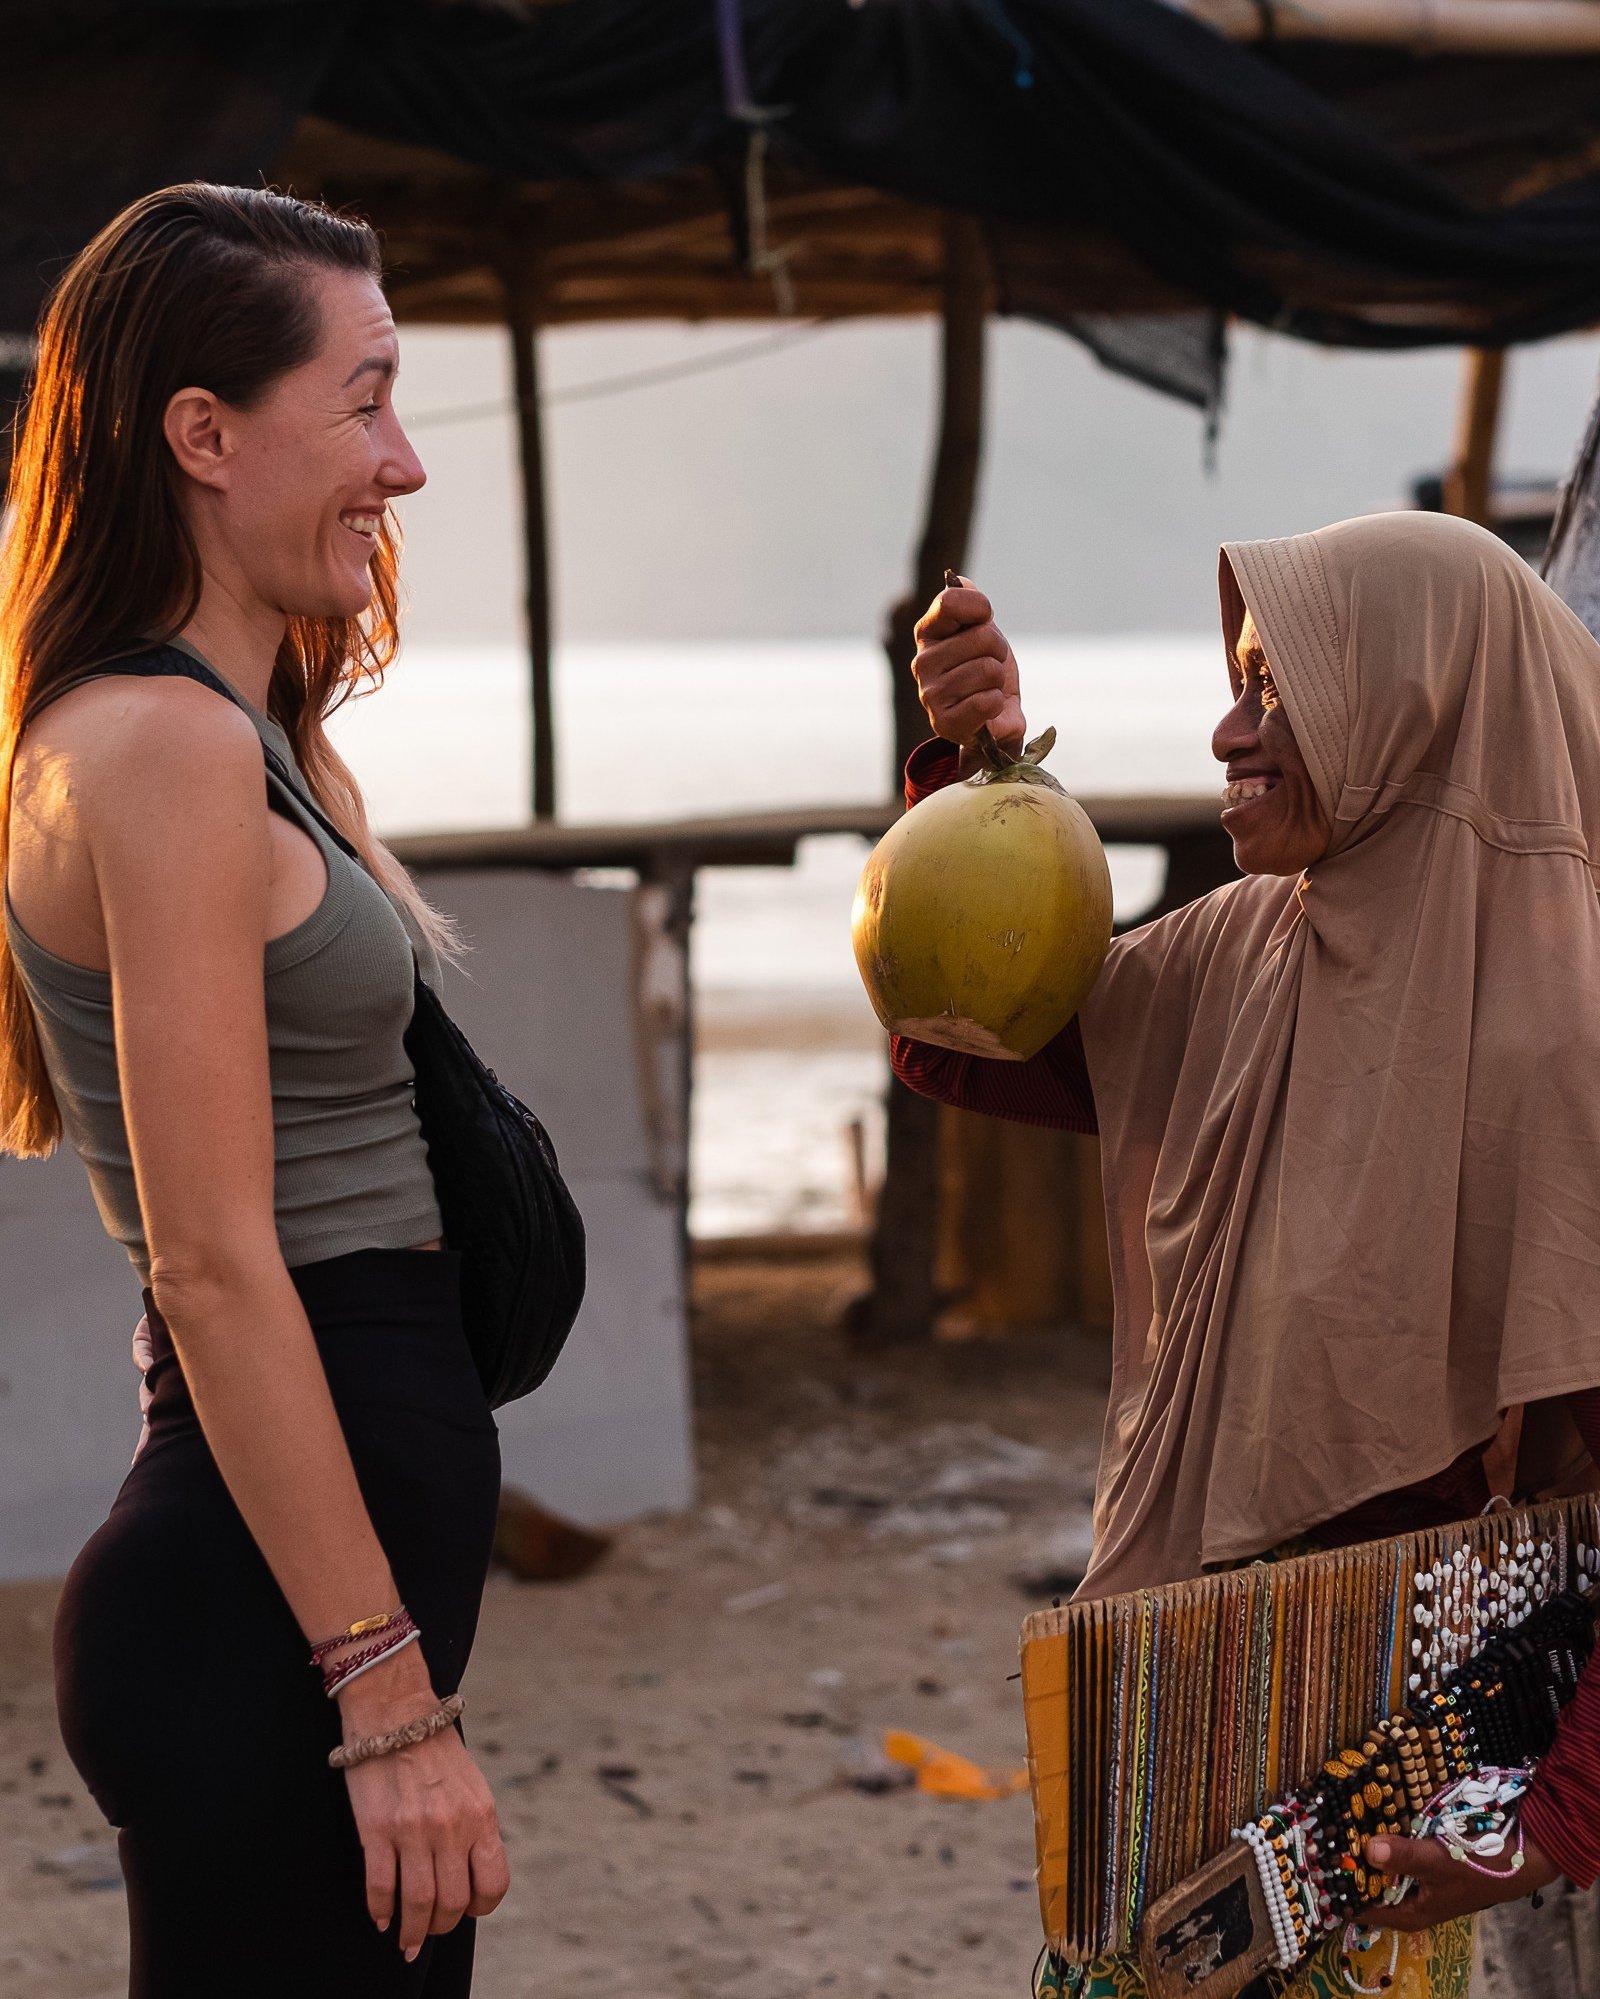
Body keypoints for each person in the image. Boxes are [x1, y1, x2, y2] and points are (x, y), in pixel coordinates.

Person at [896, 511, 1600, 1998]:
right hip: (1168, 1682)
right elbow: (971, 1035)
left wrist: (1552, 1818)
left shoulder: (1568, 1044)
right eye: (1237, 684)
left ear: (1410, 705)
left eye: (1278, 691)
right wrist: (988, 781)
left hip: (1379, 1762)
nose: (1227, 730)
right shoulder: (1248, 947)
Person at [0, 185, 508, 1994]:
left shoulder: (248, 730)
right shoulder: (160, 747)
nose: (407, 463)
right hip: (262, 1627)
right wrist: (383, 1702)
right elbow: (214, 1265)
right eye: (363, 400)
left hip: (291, 1597)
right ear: (202, 436)